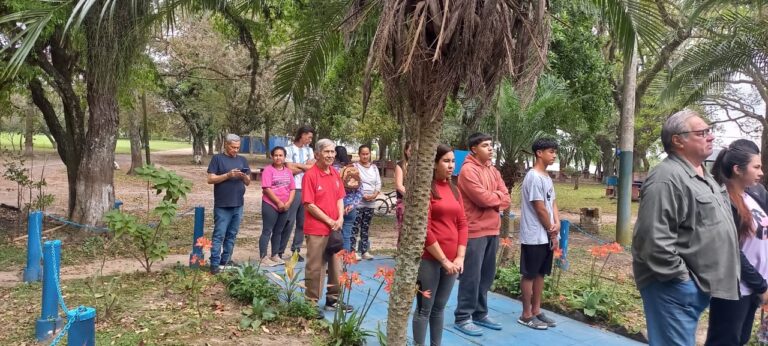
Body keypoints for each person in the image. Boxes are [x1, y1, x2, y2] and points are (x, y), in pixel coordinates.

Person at [632, 109, 740, 345]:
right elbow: (652, 239)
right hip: (672, 287)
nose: (710, 136)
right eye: (702, 133)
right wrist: (682, 281)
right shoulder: (666, 178)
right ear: (678, 140)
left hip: (692, 288)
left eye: (709, 131)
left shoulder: (702, 176)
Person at [706, 144, 768, 345]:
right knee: (724, 340)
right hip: (735, 288)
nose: (761, 172)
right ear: (737, 169)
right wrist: (760, 285)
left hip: (753, 287)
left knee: (741, 339)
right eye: (756, 167)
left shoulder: (754, 195)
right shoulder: (724, 203)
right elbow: (730, 251)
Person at [453, 132, 511, 336]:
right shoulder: (468, 170)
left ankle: (480, 313)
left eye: (491, 145)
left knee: (486, 275)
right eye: (485, 145)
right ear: (474, 149)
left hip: (493, 229)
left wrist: (495, 197)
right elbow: (482, 199)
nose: (490, 148)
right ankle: (463, 316)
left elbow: (507, 198)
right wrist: (496, 197)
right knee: (471, 276)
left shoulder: (493, 170)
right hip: (474, 230)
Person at [412, 144, 468, 346]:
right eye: (446, 161)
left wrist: (460, 257)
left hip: (453, 261)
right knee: (424, 309)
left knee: (439, 308)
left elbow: (462, 223)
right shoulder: (425, 190)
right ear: (434, 163)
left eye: (453, 161)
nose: (451, 165)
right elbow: (424, 229)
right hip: (430, 259)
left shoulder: (454, 190)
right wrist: (444, 261)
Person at [302, 138, 352, 317]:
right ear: (317, 154)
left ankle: (333, 299)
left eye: (332, 152)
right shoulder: (310, 175)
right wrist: (330, 221)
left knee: (336, 266)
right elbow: (309, 205)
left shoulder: (335, 173)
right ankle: (311, 303)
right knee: (315, 267)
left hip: (335, 229)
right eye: (326, 152)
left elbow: (340, 198)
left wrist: (340, 218)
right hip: (317, 229)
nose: (330, 155)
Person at [518, 137, 560, 330]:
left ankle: (536, 310)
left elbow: (552, 203)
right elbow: (539, 207)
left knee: (541, 272)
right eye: (551, 151)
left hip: (547, 234)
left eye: (555, 152)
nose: (554, 155)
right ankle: (526, 314)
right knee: (529, 274)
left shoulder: (546, 177)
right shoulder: (533, 176)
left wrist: (557, 222)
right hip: (534, 235)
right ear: (539, 153)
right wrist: (552, 230)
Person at [206, 134, 251, 274]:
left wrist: (244, 177)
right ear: (226, 145)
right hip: (223, 204)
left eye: (238, 147)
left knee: (232, 234)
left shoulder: (242, 160)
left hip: (238, 203)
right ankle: (214, 263)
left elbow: (248, 182)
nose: (235, 150)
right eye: (233, 147)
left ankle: (226, 260)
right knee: (219, 234)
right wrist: (228, 175)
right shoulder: (217, 159)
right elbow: (210, 179)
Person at [281, 126, 315, 262]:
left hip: (306, 189)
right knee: (289, 221)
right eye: (309, 137)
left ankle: (296, 250)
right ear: (302, 135)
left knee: (302, 222)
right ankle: (280, 251)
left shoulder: (309, 150)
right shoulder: (288, 149)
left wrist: (298, 166)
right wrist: (305, 166)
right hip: (293, 189)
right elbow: (289, 169)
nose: (310, 140)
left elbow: (312, 168)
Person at [259, 146, 295, 267]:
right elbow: (267, 188)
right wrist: (278, 202)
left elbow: (292, 189)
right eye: (276, 155)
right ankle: (263, 257)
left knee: (278, 231)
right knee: (267, 230)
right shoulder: (268, 170)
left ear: (285, 157)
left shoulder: (288, 171)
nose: (278, 158)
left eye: (281, 155)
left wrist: (288, 203)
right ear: (272, 156)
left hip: (285, 206)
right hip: (270, 204)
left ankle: (275, 255)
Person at [351, 145, 381, 260]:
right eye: (363, 154)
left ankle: (364, 251)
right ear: (359, 154)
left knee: (365, 227)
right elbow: (352, 182)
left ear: (370, 154)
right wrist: (361, 194)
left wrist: (374, 194)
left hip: (371, 202)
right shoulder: (355, 167)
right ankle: (352, 251)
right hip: (358, 202)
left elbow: (378, 183)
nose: (365, 156)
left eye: (367, 154)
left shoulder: (374, 168)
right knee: (355, 227)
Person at [333, 146, 363, 251]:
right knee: (346, 236)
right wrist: (352, 205)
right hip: (350, 208)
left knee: (334, 236)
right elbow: (360, 191)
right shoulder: (353, 170)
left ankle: (335, 259)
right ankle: (345, 259)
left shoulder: (332, 170)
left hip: (335, 207)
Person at [395, 141, 412, 243]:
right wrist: (411, 196)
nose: (413, 153)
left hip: (418, 203)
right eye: (410, 150)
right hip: (403, 201)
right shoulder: (400, 165)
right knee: (403, 231)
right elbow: (399, 186)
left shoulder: (421, 166)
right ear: (406, 151)